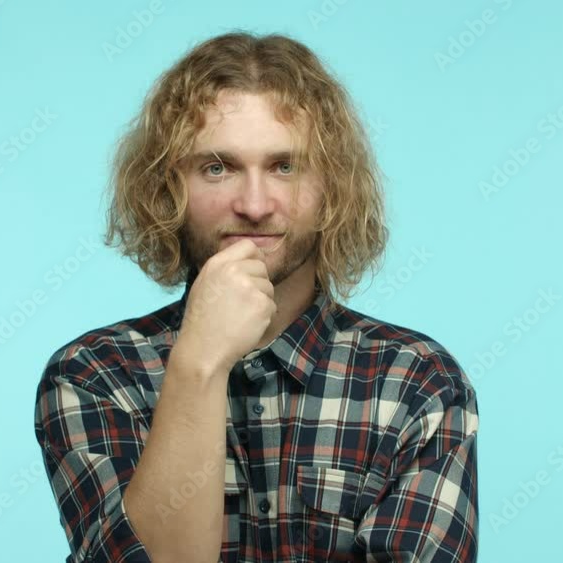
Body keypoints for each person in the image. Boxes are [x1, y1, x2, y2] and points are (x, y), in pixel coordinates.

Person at [34, 30, 479, 563]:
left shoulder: (417, 382)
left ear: (332, 187)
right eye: (217, 167)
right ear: (165, 187)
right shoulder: (94, 376)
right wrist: (199, 366)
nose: (253, 204)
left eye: (284, 167)